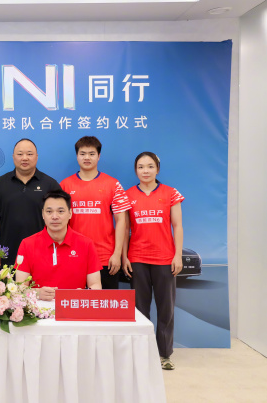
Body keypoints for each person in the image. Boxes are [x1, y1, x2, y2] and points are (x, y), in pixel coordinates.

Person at [122, 151, 184, 371]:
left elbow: (177, 226)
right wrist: (124, 256)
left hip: (165, 260)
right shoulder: (127, 195)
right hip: (137, 259)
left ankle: (165, 354)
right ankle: (142, 354)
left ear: (157, 169)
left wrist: (177, 255)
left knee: (166, 310)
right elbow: (125, 230)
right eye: (140, 167)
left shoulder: (170, 193)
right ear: (135, 170)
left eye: (150, 166)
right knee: (140, 310)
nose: (145, 171)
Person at [60, 136, 131, 289]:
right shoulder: (65, 186)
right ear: (77, 156)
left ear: (99, 156)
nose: (87, 157)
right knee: (73, 303)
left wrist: (117, 254)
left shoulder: (113, 184)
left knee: (105, 303)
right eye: (83, 153)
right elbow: (59, 223)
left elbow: (121, 222)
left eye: (91, 154)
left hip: (105, 258)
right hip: (72, 255)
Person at [15, 190, 101, 300]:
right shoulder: (27, 244)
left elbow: (95, 285)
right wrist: (36, 293)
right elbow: (19, 287)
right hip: (38, 307)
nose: (55, 216)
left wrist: (84, 294)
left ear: (70, 213)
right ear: (43, 214)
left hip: (73, 306)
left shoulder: (86, 244)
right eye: (49, 211)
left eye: (60, 211)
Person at [0, 139, 60, 264]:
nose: (25, 158)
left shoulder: (50, 184)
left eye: (29, 154)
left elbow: (60, 218)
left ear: (36, 157)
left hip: (43, 252)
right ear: (13, 157)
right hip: (8, 252)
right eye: (20, 154)